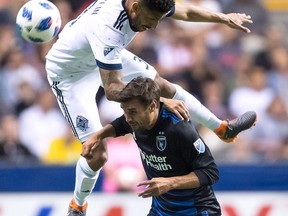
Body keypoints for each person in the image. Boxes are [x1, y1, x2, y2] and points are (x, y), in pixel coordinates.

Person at [44, 0, 256, 215]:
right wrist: (160, 101)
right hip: (70, 76)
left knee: (161, 85)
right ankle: (78, 205)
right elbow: (113, 90)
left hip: (98, 54)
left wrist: (223, 18)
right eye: (152, 19)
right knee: (97, 153)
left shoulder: (148, 4)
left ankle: (222, 129)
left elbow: (186, 11)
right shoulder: (108, 28)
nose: (154, 26)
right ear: (135, 7)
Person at [82, 76, 223, 215]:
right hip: (162, 210)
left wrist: (170, 183)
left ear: (153, 106)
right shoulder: (135, 119)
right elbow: (120, 125)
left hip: (197, 209)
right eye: (124, 110)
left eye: (132, 111)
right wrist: (97, 136)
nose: (128, 118)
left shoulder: (179, 129)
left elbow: (210, 172)